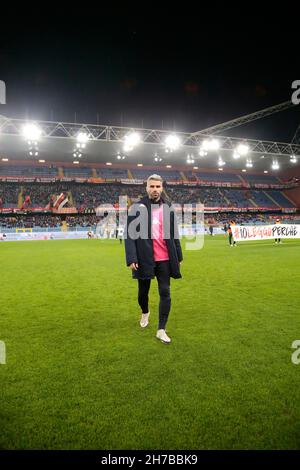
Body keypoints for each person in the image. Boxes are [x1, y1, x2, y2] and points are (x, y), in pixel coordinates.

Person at [125, 174, 183, 344]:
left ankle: (161, 329)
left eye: (158, 187)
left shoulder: (168, 206)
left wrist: (178, 255)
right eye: (152, 186)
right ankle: (145, 312)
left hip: (165, 258)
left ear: (162, 188)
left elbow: (174, 233)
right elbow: (129, 235)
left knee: (165, 292)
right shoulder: (137, 207)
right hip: (144, 258)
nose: (155, 190)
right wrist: (131, 258)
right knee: (142, 293)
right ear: (147, 187)